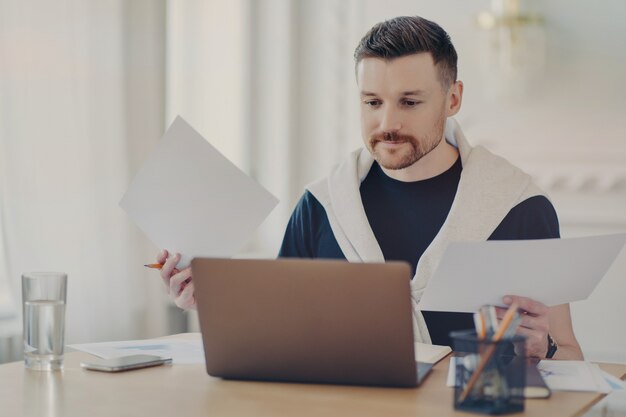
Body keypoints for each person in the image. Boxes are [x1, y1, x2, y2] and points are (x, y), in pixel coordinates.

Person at [156, 16, 583, 360]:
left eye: (409, 102)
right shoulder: (321, 206)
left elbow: (568, 352)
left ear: (453, 99)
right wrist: (208, 302)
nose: (387, 124)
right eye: (372, 102)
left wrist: (542, 349)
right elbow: (278, 338)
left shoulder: (518, 207)